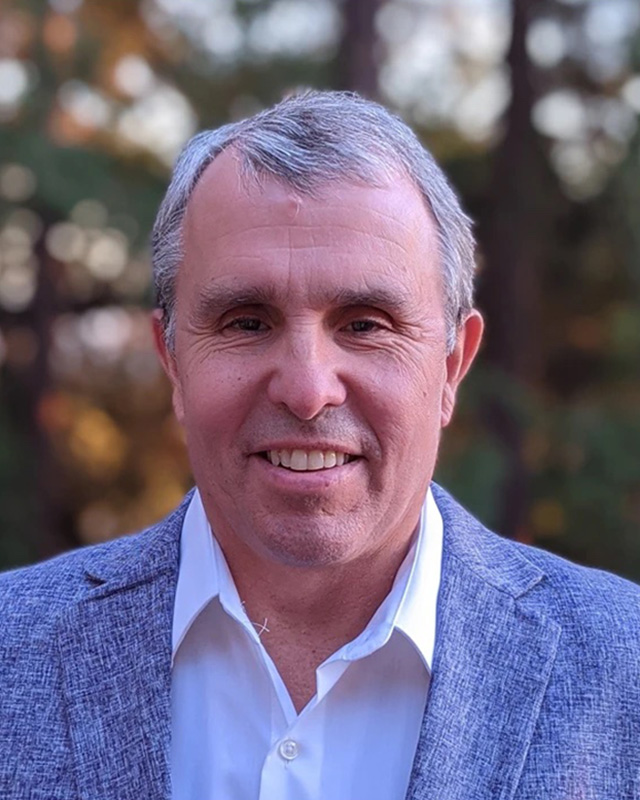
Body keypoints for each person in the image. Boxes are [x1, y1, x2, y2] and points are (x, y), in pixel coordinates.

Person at [1, 91, 638, 800]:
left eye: (366, 324)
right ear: (173, 362)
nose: (307, 390)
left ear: (453, 365)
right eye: (247, 322)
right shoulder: (11, 652)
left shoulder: (624, 669)